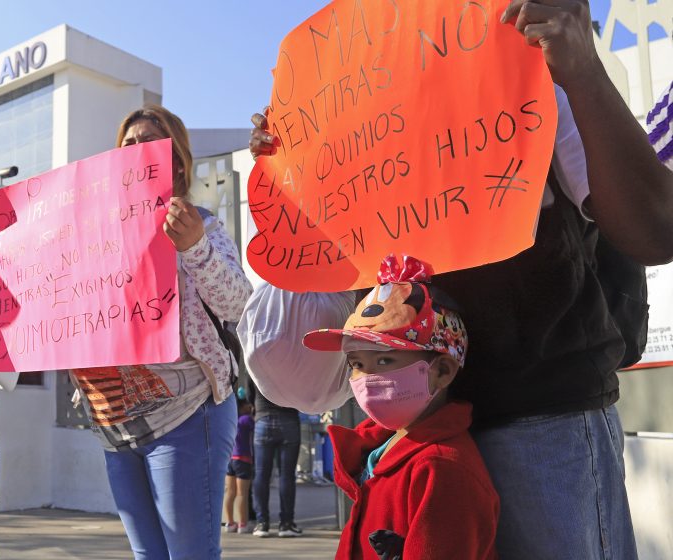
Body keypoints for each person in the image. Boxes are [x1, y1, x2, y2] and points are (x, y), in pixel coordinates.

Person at [250, 4, 673, 557]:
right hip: (412, 435)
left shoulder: (519, 54)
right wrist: (291, 173)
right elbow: (293, 372)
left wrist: (582, 71)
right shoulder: (344, 99)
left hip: (538, 427)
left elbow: (653, 229)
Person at [56, 105, 252, 559]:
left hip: (186, 415)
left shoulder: (199, 222)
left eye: (150, 143)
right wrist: (2, 274)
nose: (136, 151)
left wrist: (194, 248)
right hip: (115, 422)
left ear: (177, 162)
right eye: (128, 144)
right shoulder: (88, 236)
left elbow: (239, 302)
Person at [303, 254, 498, 559]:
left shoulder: (442, 469)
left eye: (384, 360)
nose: (365, 378)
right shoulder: (381, 449)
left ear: (442, 371)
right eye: (356, 363)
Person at [249, 385, 303, 538]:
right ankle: (286, 524)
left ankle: (262, 523)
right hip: (289, 419)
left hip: (263, 418)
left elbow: (249, 392)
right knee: (286, 475)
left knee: (261, 474)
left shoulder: (256, 360)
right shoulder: (294, 363)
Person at [223, 399, 255, 534]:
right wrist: (253, 413)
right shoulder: (246, 419)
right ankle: (243, 524)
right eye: (247, 404)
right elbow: (256, 426)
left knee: (230, 492)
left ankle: (230, 523)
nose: (250, 406)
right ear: (242, 406)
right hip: (243, 459)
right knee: (242, 494)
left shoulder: (229, 420)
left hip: (229, 459)